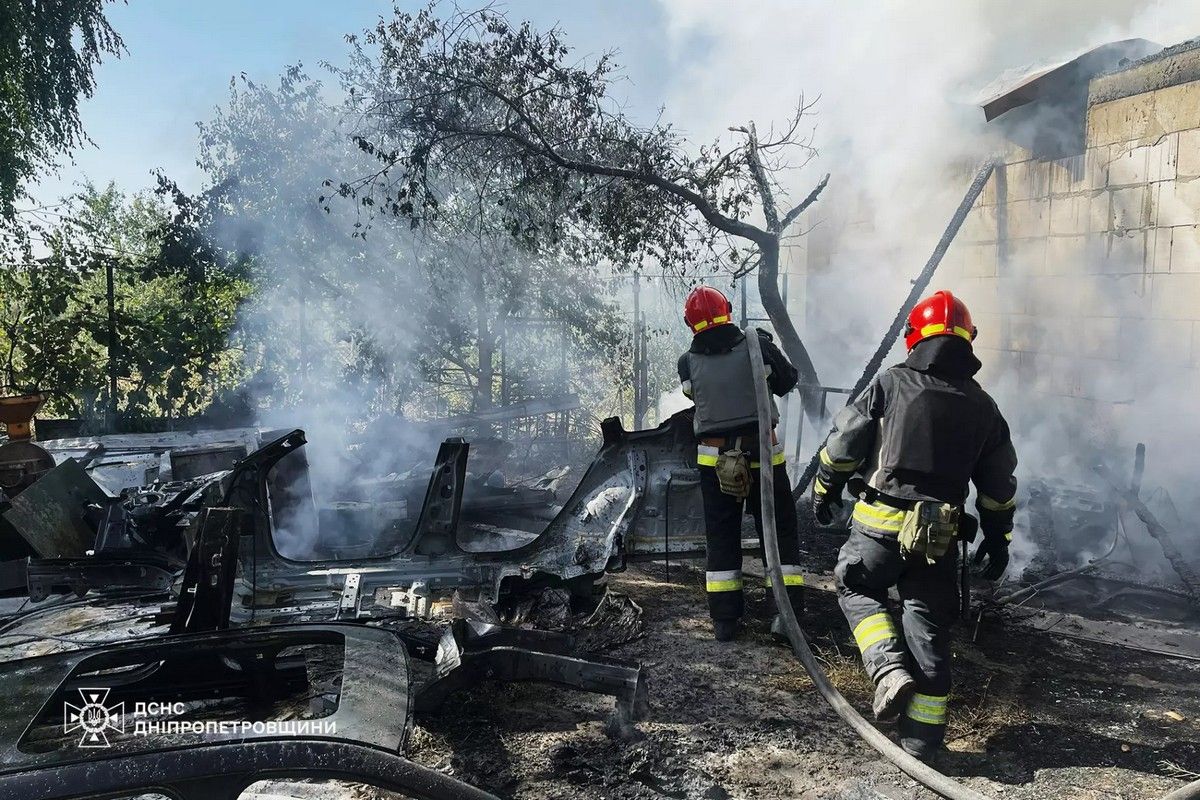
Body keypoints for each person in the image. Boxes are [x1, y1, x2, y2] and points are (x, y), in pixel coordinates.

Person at [811, 289, 1017, 762]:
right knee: (927, 625)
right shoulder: (983, 406)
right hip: (936, 539)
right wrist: (998, 537)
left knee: (855, 586)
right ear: (968, 341)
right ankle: (923, 740)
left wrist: (826, 488)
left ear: (914, 339)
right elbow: (998, 484)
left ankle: (886, 670)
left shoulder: (890, 384)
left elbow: (844, 445)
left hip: (877, 530)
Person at [677, 285, 805, 642]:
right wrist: (764, 349)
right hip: (762, 455)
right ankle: (784, 616)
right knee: (777, 533)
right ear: (728, 310)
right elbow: (788, 381)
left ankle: (725, 621)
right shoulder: (757, 346)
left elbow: (695, 395)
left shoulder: (687, 362)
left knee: (722, 537)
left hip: (715, 460)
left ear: (690, 323)